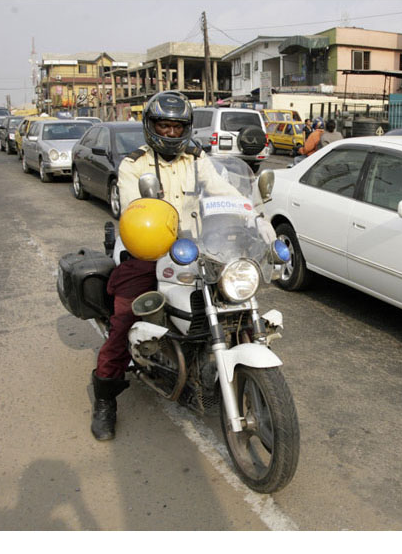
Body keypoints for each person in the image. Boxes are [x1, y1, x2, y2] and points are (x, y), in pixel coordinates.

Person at [91, 90, 274, 441]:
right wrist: (155, 240)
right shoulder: (134, 165)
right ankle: (104, 399)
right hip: (148, 250)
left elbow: (222, 188)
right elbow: (133, 209)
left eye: (178, 127)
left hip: (196, 249)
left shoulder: (195, 159)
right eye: (165, 125)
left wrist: (255, 216)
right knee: (123, 320)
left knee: (232, 301)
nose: (172, 133)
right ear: (151, 126)